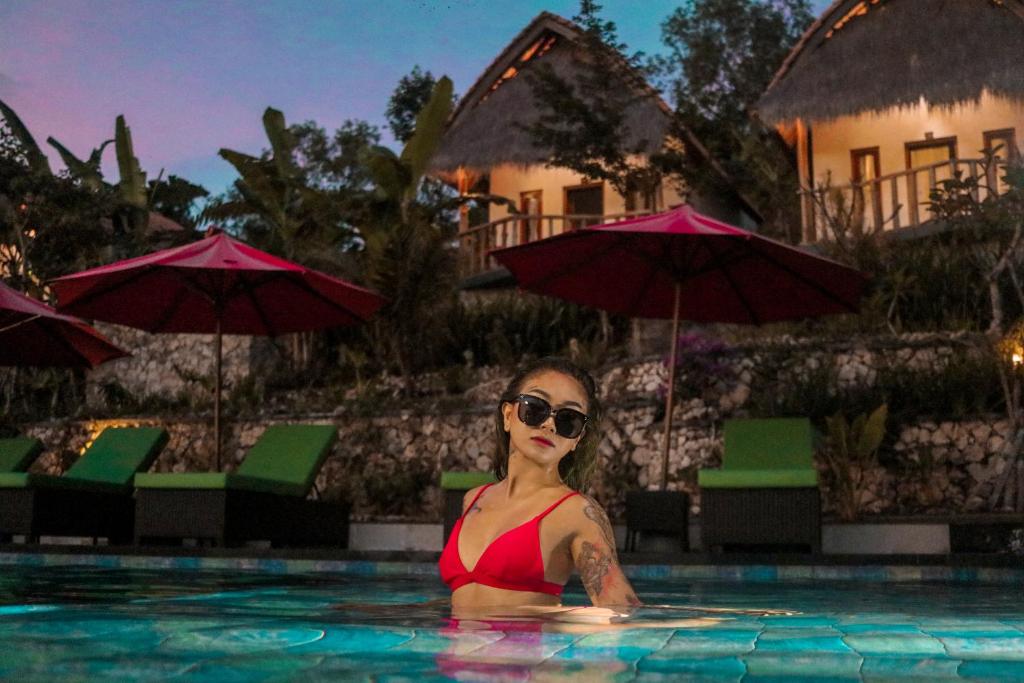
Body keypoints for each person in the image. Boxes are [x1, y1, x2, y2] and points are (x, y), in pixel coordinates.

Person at [439, 357, 640, 618]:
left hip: (525, 658)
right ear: (509, 416)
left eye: (568, 419)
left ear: (576, 439)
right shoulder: (473, 500)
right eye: (535, 408)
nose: (549, 424)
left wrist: (564, 620)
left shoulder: (577, 512)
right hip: (452, 655)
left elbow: (621, 611)